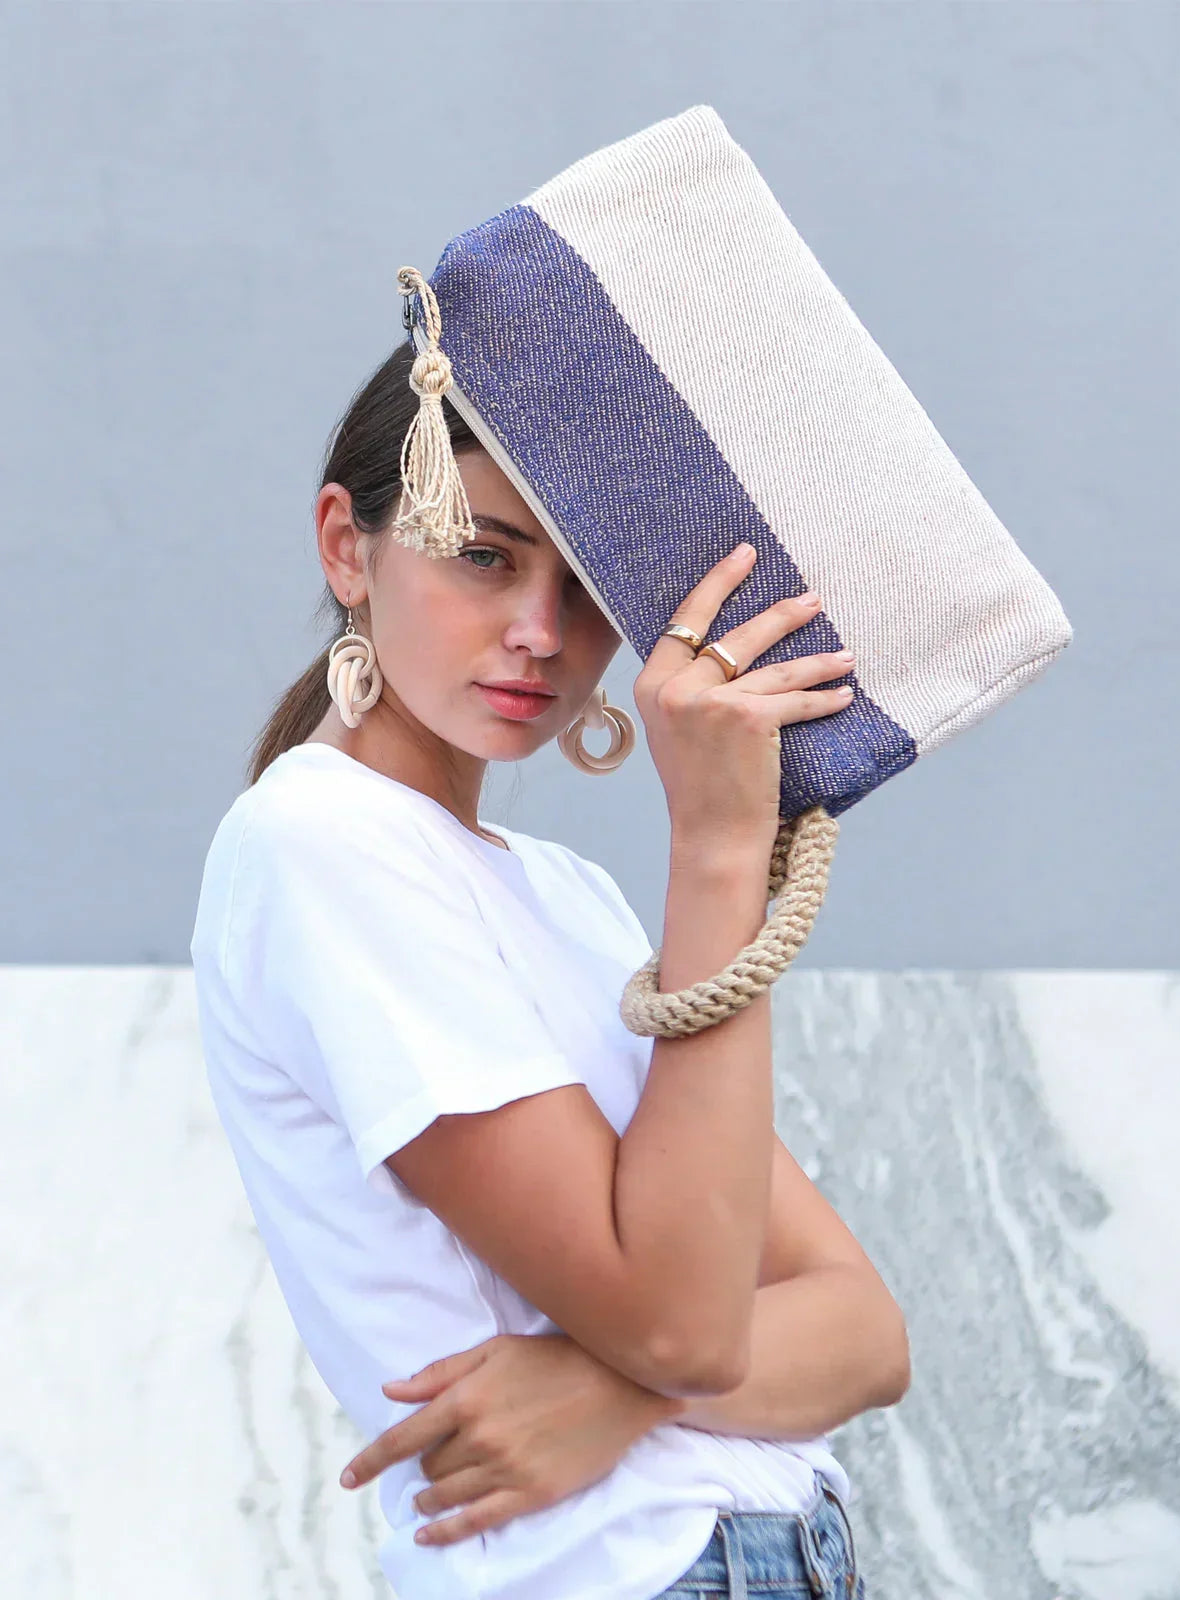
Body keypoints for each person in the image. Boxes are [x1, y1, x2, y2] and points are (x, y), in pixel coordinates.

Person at [189, 340, 909, 1600]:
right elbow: (691, 1321)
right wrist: (722, 842)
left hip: (782, 1559)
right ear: (347, 547)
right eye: (484, 555)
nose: (540, 633)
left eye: (585, 584)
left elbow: (863, 1328)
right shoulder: (318, 841)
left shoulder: (563, 893)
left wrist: (607, 1392)